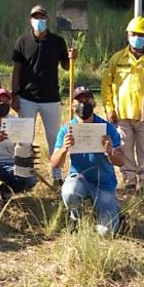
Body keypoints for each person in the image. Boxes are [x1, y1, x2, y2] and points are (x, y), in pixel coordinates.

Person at [12, 4, 78, 185]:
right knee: (24, 137)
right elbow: (16, 69)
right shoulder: (22, 41)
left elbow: (66, 65)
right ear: (30, 20)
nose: (38, 20)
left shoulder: (57, 41)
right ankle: (22, 175)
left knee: (54, 137)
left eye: (41, 17)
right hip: (27, 97)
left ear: (47, 20)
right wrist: (14, 94)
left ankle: (57, 175)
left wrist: (72, 58)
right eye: (35, 17)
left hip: (51, 98)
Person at [102, 16, 144, 192]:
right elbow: (106, 84)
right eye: (133, 34)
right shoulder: (117, 59)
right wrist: (109, 108)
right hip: (121, 115)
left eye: (140, 34)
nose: (136, 37)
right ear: (128, 36)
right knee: (124, 148)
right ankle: (129, 181)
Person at [50, 86, 125, 236]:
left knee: (106, 233)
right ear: (72, 105)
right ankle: (76, 218)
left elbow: (121, 161)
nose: (83, 104)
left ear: (94, 102)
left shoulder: (107, 128)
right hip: (79, 178)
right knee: (69, 192)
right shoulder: (67, 130)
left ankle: (114, 212)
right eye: (79, 100)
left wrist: (110, 152)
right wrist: (64, 148)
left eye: (87, 99)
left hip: (104, 183)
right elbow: (54, 163)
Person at [0, 88, 38, 210]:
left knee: (30, 178)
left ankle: (6, 190)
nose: (3, 103)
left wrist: (28, 152)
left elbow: (24, 147)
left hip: (10, 164)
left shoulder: (17, 122)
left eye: (6, 100)